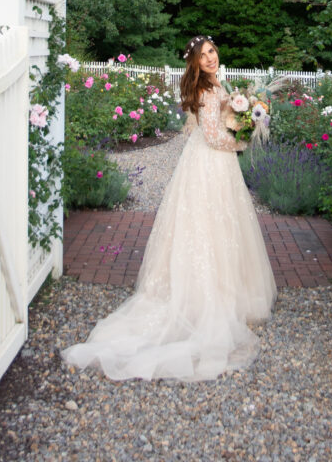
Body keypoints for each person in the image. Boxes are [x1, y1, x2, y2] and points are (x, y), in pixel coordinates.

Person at [61, 35, 277, 381]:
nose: (209, 58)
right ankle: (201, 298)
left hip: (213, 166)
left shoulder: (215, 84)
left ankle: (227, 291)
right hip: (209, 164)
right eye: (202, 55)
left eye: (211, 51)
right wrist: (242, 141)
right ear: (193, 63)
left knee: (220, 228)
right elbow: (211, 137)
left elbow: (222, 122)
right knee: (207, 227)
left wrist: (242, 117)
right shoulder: (206, 91)